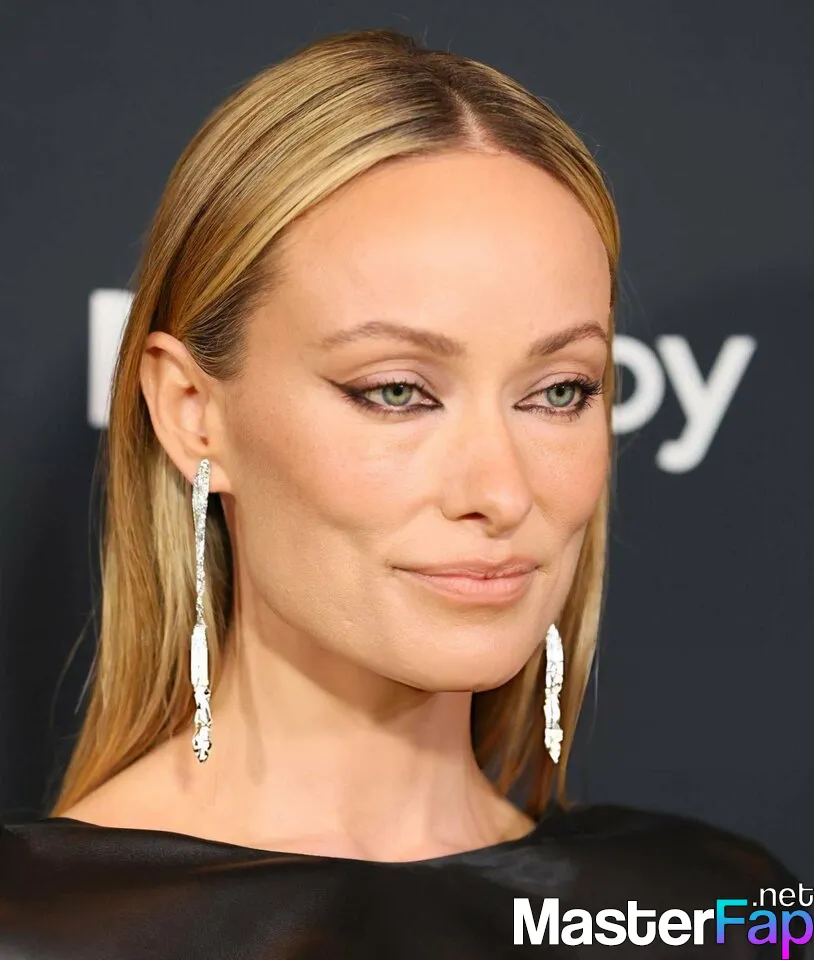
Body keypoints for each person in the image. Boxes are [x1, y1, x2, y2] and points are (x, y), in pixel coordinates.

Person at [0, 27, 806, 960]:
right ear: (192, 412)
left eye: (558, 392)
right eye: (395, 392)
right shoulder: (34, 927)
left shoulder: (727, 910)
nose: (501, 491)